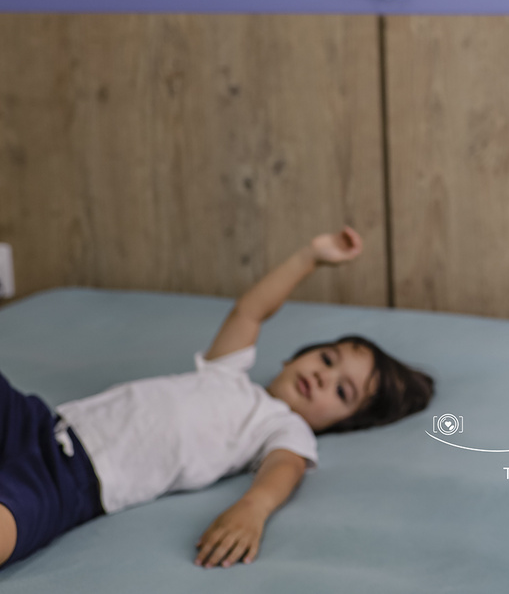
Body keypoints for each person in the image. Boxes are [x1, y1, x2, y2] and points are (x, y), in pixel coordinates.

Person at [0, 227, 434, 570]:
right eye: (327, 358)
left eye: (341, 391)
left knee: (13, 519)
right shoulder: (227, 373)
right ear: (294, 357)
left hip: (75, 480)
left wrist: (253, 509)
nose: (323, 377)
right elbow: (250, 310)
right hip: (42, 425)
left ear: (341, 423)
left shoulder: (283, 427)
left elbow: (284, 469)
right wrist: (309, 258)